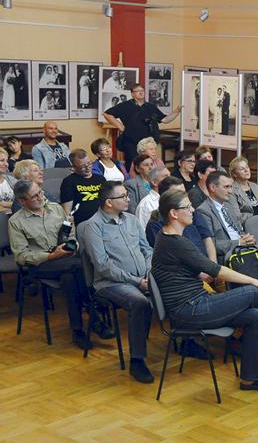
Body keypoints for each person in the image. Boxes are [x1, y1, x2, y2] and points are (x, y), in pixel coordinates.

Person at [151, 187, 258, 393]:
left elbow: (197, 271)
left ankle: (252, 378)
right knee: (252, 292)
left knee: (256, 316)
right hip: (189, 311)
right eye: (187, 207)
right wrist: (255, 282)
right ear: (174, 214)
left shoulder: (167, 237)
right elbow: (215, 270)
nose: (193, 210)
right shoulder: (176, 243)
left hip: (196, 302)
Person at [78, 181, 155, 383]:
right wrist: (137, 281)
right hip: (109, 283)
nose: (128, 199)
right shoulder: (92, 227)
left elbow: (147, 250)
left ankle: (186, 340)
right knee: (140, 303)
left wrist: (149, 273)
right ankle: (137, 361)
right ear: (109, 202)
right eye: (123, 196)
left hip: (142, 278)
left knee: (175, 287)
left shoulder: (131, 220)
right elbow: (103, 266)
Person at [9, 180, 98, 349]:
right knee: (79, 266)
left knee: (69, 279)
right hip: (41, 266)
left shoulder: (55, 209)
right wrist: (51, 256)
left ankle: (78, 330)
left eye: (40, 192)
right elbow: (22, 256)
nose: (41, 197)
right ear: (22, 201)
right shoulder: (16, 221)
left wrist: (72, 247)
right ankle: (94, 313)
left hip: (66, 261)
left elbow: (71, 234)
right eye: (35, 196)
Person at [103, 83, 181, 165]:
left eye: (142, 90)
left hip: (148, 144)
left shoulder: (150, 106)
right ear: (132, 94)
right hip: (131, 143)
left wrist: (177, 111)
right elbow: (107, 114)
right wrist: (121, 127)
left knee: (148, 165)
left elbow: (165, 120)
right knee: (133, 165)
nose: (141, 92)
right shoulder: (125, 106)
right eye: (137, 91)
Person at [144, 176, 216, 262]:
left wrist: (213, 264)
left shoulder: (192, 212)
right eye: (178, 193)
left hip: (205, 264)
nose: (184, 196)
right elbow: (170, 257)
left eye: (184, 192)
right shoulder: (155, 223)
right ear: (166, 197)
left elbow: (207, 238)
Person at [196, 171, 256, 262]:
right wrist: (239, 242)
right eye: (226, 187)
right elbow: (210, 245)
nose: (230, 191)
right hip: (226, 257)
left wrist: (247, 238)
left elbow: (238, 230)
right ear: (213, 187)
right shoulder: (203, 211)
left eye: (231, 187)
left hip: (241, 250)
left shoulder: (228, 206)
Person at [229, 156, 258, 222]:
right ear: (235, 174)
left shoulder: (255, 186)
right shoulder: (232, 190)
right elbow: (236, 216)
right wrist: (256, 217)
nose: (246, 170)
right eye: (242, 169)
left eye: (247, 167)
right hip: (246, 226)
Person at [0, 148, 16, 214]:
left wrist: (4, 204)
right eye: (2, 160)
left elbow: (25, 200)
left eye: (6, 161)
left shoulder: (10, 179)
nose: (6, 164)